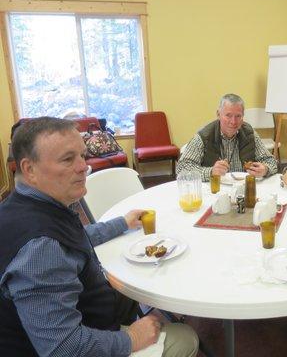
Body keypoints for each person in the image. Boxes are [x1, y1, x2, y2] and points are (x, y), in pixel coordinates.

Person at [0, 117, 199, 357]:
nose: (83, 166)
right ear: (29, 169)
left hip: (87, 315)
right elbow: (63, 349)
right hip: (71, 343)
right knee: (185, 338)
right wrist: (130, 338)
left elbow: (75, 237)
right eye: (67, 159)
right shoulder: (41, 250)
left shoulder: (27, 207)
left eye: (82, 156)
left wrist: (122, 223)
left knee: (127, 283)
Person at [176, 93, 278, 181]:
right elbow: (181, 168)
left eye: (238, 116)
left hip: (244, 189)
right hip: (214, 190)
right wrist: (210, 172)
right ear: (218, 114)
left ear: (243, 116)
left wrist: (265, 169)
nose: (233, 122)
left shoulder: (249, 134)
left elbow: (271, 160)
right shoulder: (204, 136)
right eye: (228, 115)